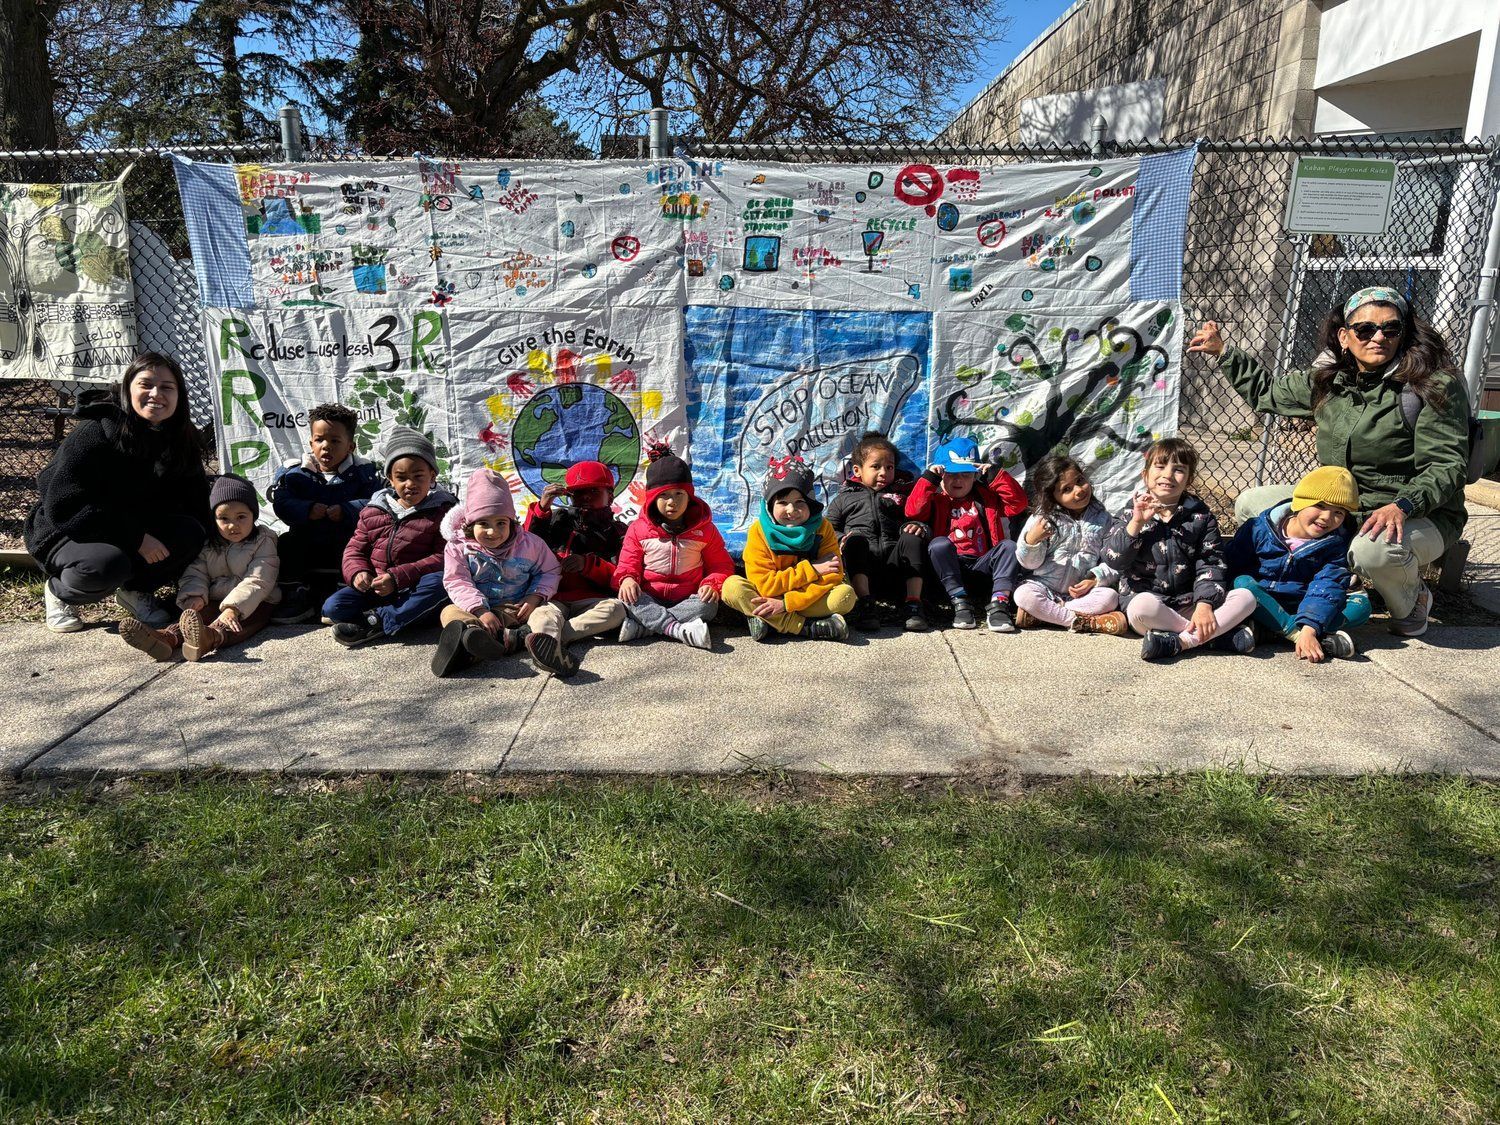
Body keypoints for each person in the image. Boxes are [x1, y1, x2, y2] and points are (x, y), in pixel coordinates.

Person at [1193, 286, 1471, 638]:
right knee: (1253, 504)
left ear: (1404, 334)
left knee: (1375, 551)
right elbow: (1267, 393)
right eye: (1365, 329)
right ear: (1345, 336)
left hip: (1417, 510)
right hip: (1343, 505)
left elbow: (1447, 465)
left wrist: (1402, 504)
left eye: (1391, 329)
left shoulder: (1432, 385)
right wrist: (1224, 353)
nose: (1378, 337)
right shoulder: (1329, 381)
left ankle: (1412, 599)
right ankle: (1297, 583)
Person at [26, 353, 209, 632]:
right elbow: (64, 504)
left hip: (134, 524)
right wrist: (135, 538)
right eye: (145, 385)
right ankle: (60, 591)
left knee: (192, 532)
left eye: (167, 387)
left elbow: (195, 498)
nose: (156, 394)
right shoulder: (95, 432)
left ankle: (135, 591)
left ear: (179, 396)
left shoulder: (180, 437)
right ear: (127, 389)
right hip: (68, 529)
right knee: (107, 565)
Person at [1102, 437, 1257, 661]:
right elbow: (1113, 560)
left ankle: (1181, 642)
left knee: (1246, 598)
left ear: (1188, 480)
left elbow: (1211, 562)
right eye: (1160, 466)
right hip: (1153, 609)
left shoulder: (1201, 518)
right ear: (1145, 475)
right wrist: (1136, 523)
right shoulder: (1129, 515)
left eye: (1178, 469)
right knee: (1140, 607)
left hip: (1191, 604)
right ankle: (1214, 638)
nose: (1168, 474)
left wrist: (1204, 605)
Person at [119, 474, 280, 661]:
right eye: (224, 518)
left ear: (254, 515)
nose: (232, 525)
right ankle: (166, 638)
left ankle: (210, 638)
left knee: (236, 622)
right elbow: (196, 572)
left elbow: (258, 580)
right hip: (216, 598)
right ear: (214, 519)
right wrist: (193, 595)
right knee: (196, 617)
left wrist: (233, 609)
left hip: (258, 601)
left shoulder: (263, 540)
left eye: (241, 517)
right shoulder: (210, 543)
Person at [322, 426, 456, 647]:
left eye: (418, 476)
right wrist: (358, 573)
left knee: (441, 583)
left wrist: (397, 578)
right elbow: (355, 549)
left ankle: (380, 620)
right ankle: (392, 617)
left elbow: (443, 557)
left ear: (432, 476)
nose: (410, 484)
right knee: (333, 607)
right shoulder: (374, 510)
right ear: (390, 480)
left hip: (414, 588)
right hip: (377, 587)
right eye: (401, 478)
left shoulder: (442, 512)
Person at [433, 467, 571, 678]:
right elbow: (457, 581)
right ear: (470, 523)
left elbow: (550, 570)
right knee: (449, 612)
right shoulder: (458, 547)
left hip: (516, 607)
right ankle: (472, 635)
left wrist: (534, 596)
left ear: (511, 522)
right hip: (476, 609)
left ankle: (470, 651)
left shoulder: (529, 544)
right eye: (483, 523)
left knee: (546, 612)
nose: (492, 531)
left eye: (501, 523)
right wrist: (479, 610)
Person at [1226, 465, 1372, 662]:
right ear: (1299, 503)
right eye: (1320, 506)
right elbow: (1232, 566)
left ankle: (1273, 631)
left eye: (1339, 512)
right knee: (1242, 584)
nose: (1327, 517)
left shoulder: (1334, 545)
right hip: (1262, 602)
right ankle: (1297, 635)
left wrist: (1310, 627)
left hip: (1304, 604)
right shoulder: (1258, 529)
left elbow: (1326, 585)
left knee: (1361, 607)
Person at [268, 402, 382, 623]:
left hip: (345, 539)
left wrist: (348, 510)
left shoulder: (364, 473)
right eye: (320, 440)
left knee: (360, 549)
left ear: (351, 446)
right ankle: (297, 597)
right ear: (311, 442)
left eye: (335, 441)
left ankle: (346, 595)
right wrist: (307, 510)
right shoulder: (295, 473)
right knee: (287, 544)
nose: (326, 446)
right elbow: (282, 503)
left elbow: (376, 504)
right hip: (307, 539)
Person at [722, 456, 856, 642]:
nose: (791, 510)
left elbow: (833, 575)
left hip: (803, 598)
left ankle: (767, 620)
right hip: (768, 596)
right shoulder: (759, 531)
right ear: (770, 505)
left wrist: (786, 603)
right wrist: (813, 568)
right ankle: (803, 627)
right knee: (732, 588)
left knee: (844, 596)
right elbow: (765, 585)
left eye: (800, 502)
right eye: (782, 502)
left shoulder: (822, 528)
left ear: (810, 503)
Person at [613, 444, 734, 650]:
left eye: (679, 494)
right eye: (664, 495)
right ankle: (678, 630)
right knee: (627, 599)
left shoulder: (706, 530)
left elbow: (721, 566)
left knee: (709, 605)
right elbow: (627, 564)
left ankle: (646, 629)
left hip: (688, 598)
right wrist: (627, 579)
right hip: (650, 596)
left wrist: (712, 584)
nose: (672, 502)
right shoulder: (638, 529)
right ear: (651, 498)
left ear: (690, 496)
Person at [904, 436, 1027, 632]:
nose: (958, 480)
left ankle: (999, 603)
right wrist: (929, 478)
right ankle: (960, 602)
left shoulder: (986, 498)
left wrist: (995, 476)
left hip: (983, 565)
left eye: (965, 474)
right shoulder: (936, 498)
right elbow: (913, 511)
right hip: (949, 571)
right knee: (939, 544)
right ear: (941, 474)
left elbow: (1018, 504)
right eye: (951, 474)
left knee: (1009, 547)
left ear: (976, 475)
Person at [824, 431, 927, 632]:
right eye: (875, 467)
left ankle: (914, 604)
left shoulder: (900, 495)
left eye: (889, 467)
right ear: (857, 470)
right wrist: (841, 539)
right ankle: (865, 605)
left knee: (913, 537)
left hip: (896, 567)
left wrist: (920, 527)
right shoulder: (844, 498)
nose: (883, 472)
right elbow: (828, 528)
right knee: (856, 541)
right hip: (863, 570)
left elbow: (919, 518)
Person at [522, 460, 629, 653]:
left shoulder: (618, 532)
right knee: (542, 615)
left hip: (592, 600)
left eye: (595, 491)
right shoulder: (555, 519)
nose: (586, 497)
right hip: (553, 598)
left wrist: (588, 565)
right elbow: (525, 546)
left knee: (616, 610)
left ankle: (551, 641)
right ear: (570, 496)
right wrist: (542, 508)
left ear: (610, 496)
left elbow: (621, 575)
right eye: (579, 492)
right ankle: (549, 645)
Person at [1012, 455, 1124, 634]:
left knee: (1110, 597)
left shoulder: (1104, 520)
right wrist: (1032, 540)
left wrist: (1094, 579)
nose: (1079, 490)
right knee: (1023, 595)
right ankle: (1081, 621)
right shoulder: (1043, 520)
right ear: (1052, 496)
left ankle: (1046, 615)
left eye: (1080, 480)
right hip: (1044, 586)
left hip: (1081, 594)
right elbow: (1029, 564)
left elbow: (1113, 559)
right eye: (1067, 489)